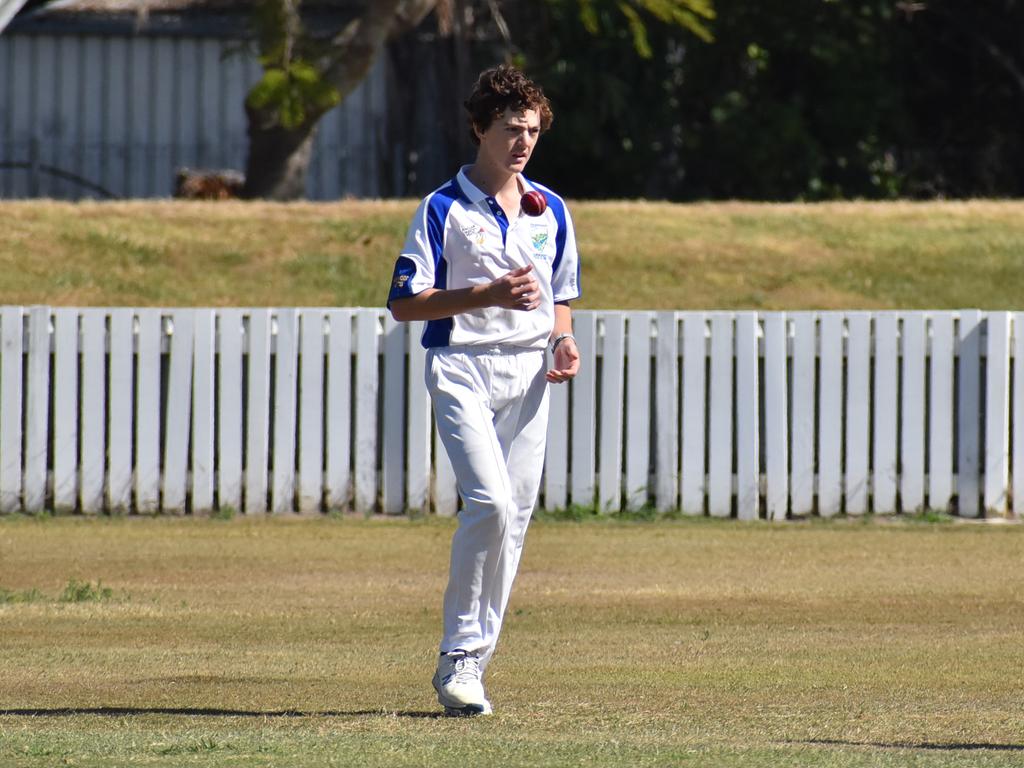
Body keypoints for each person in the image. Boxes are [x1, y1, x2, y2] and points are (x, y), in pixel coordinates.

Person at [387, 64, 581, 716]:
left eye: (531, 130)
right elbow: (404, 306)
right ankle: (459, 653)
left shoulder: (549, 208)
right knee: (491, 505)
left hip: (529, 374)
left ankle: (469, 665)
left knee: (516, 520)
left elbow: (562, 297)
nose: (522, 141)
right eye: (509, 129)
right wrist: (486, 295)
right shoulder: (441, 209)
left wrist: (562, 340)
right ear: (479, 127)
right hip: (462, 365)